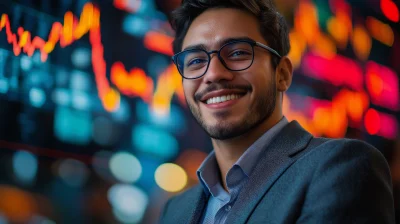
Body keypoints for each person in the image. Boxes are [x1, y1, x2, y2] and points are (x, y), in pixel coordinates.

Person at [160, 0, 395, 223]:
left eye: (238, 53)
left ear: (282, 74)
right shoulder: (175, 209)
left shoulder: (341, 168)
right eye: (196, 61)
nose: (212, 74)